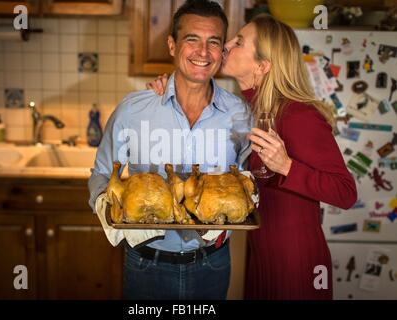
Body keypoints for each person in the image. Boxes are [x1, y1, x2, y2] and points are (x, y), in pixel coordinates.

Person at [147, 14, 357, 300]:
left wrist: (286, 166)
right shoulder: (247, 109)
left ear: (262, 65)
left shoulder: (299, 115)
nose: (226, 45)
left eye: (238, 42)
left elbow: (345, 192)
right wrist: (167, 88)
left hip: (295, 262)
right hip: (261, 252)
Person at [88, 0, 252, 300]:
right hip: (146, 263)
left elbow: (249, 182)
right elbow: (101, 171)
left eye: (213, 42)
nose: (203, 52)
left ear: (221, 51)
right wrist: (109, 208)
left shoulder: (239, 114)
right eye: (192, 40)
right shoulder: (134, 110)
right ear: (172, 45)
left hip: (212, 264)